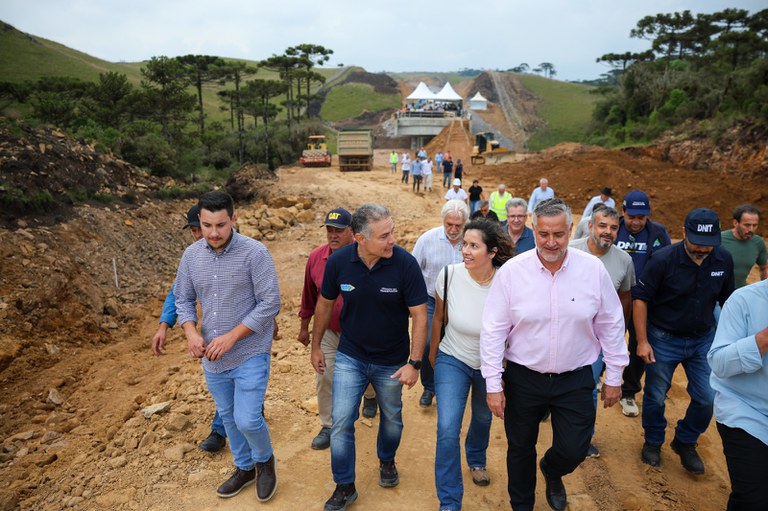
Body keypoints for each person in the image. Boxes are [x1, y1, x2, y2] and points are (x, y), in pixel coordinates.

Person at [481, 198, 627, 511]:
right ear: (534, 230)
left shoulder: (593, 271)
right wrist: (493, 384)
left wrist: (615, 375)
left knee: (575, 449)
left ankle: (552, 468)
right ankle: (522, 504)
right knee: (520, 447)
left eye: (558, 235)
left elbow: (612, 323)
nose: (551, 242)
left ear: (571, 229)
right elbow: (493, 330)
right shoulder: (512, 273)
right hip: (523, 378)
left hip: (574, 378)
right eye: (544, 234)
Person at [311, 204, 428, 511]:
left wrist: (414, 363)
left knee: (392, 420)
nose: (392, 240)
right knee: (341, 422)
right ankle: (344, 486)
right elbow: (324, 305)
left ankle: (386, 461)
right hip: (351, 355)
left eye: (392, 232)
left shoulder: (405, 264)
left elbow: (419, 315)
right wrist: (315, 346)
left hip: (392, 360)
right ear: (361, 239)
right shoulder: (339, 263)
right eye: (384, 235)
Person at [175, 191, 280, 501]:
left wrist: (232, 336)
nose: (214, 233)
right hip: (213, 358)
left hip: (249, 352)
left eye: (221, 225)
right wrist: (191, 332)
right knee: (229, 416)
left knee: (248, 418)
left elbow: (270, 302)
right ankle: (244, 467)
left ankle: (265, 462)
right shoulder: (191, 256)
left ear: (234, 219)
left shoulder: (255, 253)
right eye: (207, 225)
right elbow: (182, 299)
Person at [633, 208, 734, 474]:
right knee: (655, 396)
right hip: (663, 339)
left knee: (707, 399)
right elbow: (640, 299)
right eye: (697, 243)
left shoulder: (723, 260)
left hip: (703, 341)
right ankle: (653, 441)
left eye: (709, 244)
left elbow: (727, 301)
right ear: (683, 234)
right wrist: (642, 341)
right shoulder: (662, 259)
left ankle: (685, 440)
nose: (702, 249)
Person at [429, 220, 515, 511]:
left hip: (490, 366)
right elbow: (439, 318)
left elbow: (514, 329)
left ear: (491, 252)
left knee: (482, 417)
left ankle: (476, 457)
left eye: (473, 246)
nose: (464, 250)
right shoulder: (449, 275)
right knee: (447, 427)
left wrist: (504, 371)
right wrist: (432, 360)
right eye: (464, 244)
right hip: (452, 358)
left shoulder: (507, 281)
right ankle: (450, 501)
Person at [298, 208, 377, 451]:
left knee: (369, 371)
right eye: (329, 230)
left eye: (338, 231)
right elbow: (309, 296)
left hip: (363, 330)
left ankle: (371, 396)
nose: (333, 235)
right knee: (324, 375)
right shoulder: (316, 258)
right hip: (330, 331)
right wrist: (305, 328)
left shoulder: (367, 256)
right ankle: (328, 425)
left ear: (352, 233)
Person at [151, 205, 228, 453]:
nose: (198, 234)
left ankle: (220, 430)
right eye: (195, 230)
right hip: (213, 331)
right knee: (222, 377)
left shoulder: (240, 250)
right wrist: (164, 326)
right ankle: (227, 425)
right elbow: (179, 294)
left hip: (242, 331)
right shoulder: (193, 257)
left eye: (201, 228)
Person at [569, 206, 635, 458]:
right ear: (591, 226)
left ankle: (584, 439)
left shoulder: (624, 261)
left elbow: (625, 299)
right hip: (562, 333)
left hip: (595, 340)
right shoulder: (570, 250)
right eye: (602, 226)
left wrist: (618, 337)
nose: (608, 232)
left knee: (587, 388)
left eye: (613, 227)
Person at [708, 279, 768, 510]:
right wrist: (763, 339)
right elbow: (719, 363)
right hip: (747, 409)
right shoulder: (744, 300)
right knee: (753, 500)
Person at [615, 190, 671, 418]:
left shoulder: (657, 233)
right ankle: (599, 376)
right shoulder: (612, 227)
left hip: (644, 301)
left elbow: (667, 262)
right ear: (623, 212)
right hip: (614, 298)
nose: (636, 222)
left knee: (639, 343)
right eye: (632, 217)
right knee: (602, 338)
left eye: (641, 217)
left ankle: (628, 391)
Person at [412, 200, 469, 408]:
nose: (453, 230)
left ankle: (455, 385)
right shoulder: (427, 240)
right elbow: (413, 271)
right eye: (449, 224)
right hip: (430, 302)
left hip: (462, 303)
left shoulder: (472, 241)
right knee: (428, 343)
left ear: (465, 223)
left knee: (457, 344)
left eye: (458, 225)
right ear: (443, 221)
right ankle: (429, 387)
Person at [720, 203, 767, 289]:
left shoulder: (758, 242)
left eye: (755, 225)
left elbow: (764, 268)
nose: (751, 229)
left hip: (739, 293)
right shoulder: (720, 240)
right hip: (717, 295)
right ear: (735, 223)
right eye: (747, 225)